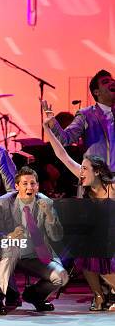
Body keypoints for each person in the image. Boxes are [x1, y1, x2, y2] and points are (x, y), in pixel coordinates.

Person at [43, 105, 115, 311]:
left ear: (98, 172)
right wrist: (49, 129)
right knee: (86, 249)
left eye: (85, 169)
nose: (80, 173)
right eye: (81, 168)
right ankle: (99, 296)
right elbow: (62, 155)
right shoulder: (86, 181)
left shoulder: (112, 189)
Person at [0, 167, 68, 315]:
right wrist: (9, 236)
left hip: (36, 254)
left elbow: (57, 236)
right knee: (12, 248)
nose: (29, 187)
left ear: (37, 186)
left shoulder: (46, 202)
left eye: (33, 183)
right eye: (25, 184)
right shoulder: (3, 203)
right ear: (17, 186)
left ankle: (35, 296)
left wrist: (49, 215)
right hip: (9, 251)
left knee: (61, 276)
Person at [44, 70, 115, 171]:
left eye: (113, 80)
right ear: (96, 92)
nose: (112, 82)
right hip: (97, 181)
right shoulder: (86, 115)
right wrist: (52, 122)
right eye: (106, 82)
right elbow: (65, 139)